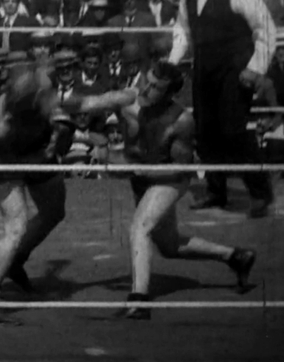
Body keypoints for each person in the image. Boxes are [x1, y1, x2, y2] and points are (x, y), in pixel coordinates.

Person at [65, 61, 257, 320]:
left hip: (169, 177)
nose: (145, 88)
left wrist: (140, 171)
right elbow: (84, 105)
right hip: (141, 174)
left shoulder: (181, 121)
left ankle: (139, 301)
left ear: (169, 94)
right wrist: (46, 99)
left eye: (155, 87)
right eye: (146, 80)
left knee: (140, 228)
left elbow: (181, 168)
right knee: (168, 246)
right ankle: (235, 256)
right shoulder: (126, 99)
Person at [168, 0, 277, 218]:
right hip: (204, 69)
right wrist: (172, 62)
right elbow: (182, 32)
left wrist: (255, 68)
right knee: (205, 133)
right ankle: (216, 192)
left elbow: (266, 31)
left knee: (234, 131)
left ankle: (260, 193)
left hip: (235, 72)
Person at [0, 63, 74, 325]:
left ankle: (15, 261)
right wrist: (47, 144)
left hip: (37, 152)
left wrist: (61, 129)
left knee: (54, 212)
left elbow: (84, 105)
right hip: (9, 159)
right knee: (15, 230)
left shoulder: (41, 90)